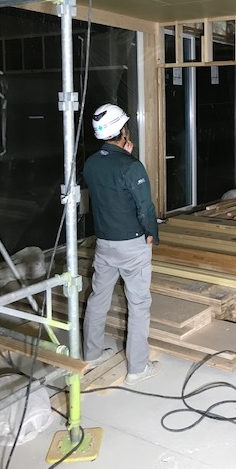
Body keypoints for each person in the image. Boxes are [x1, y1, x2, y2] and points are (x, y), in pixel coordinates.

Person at [82, 103, 160, 385]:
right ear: (123, 131)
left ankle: (91, 355)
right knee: (138, 303)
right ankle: (137, 369)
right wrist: (151, 233)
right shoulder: (131, 166)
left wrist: (122, 156)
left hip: (104, 243)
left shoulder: (91, 163)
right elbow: (144, 207)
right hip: (131, 244)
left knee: (98, 297)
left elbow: (109, 187)